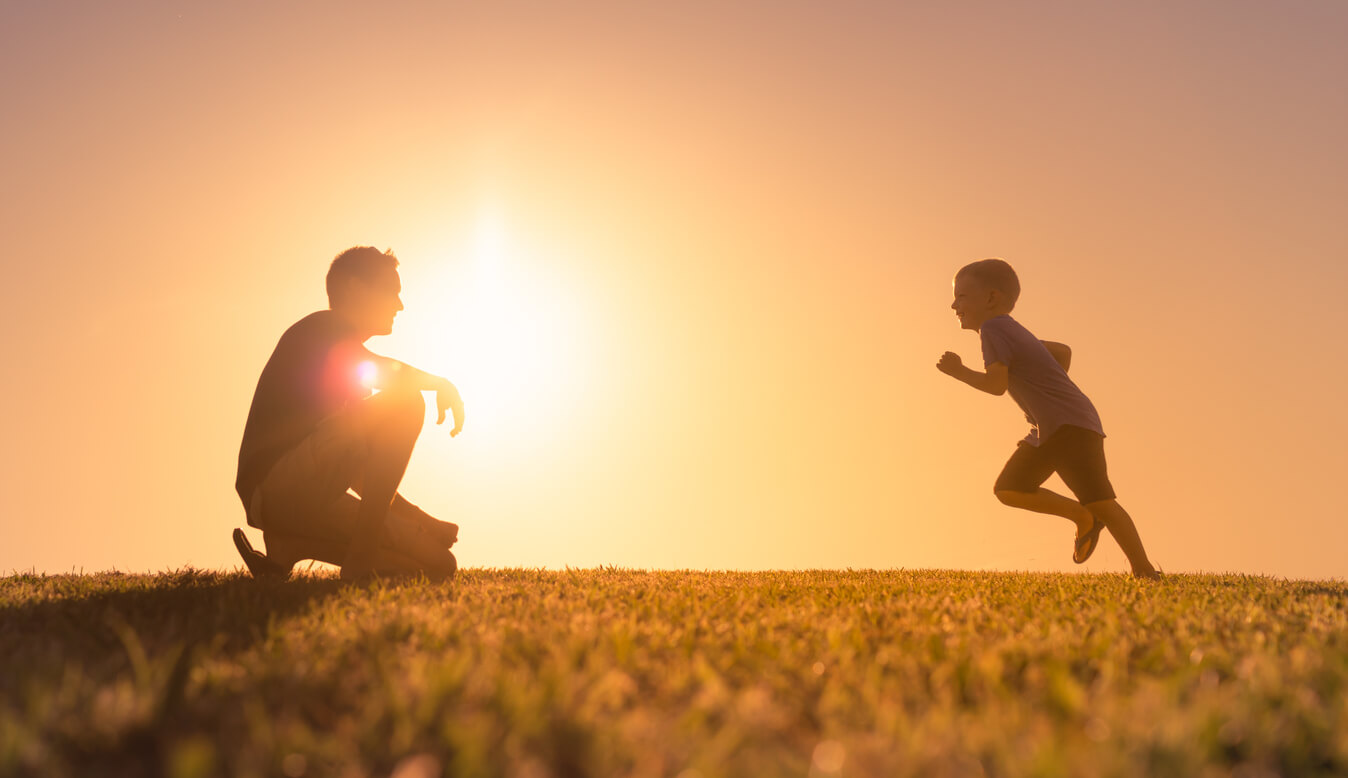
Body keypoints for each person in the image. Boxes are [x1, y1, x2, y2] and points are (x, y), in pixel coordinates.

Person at [232, 246, 463, 581]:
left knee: (437, 565)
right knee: (408, 401)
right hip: (275, 487)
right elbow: (384, 373)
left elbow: (356, 469)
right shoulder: (322, 328)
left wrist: (421, 521)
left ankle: (289, 546)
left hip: (303, 499)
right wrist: (440, 383)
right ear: (355, 288)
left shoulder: (348, 368)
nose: (400, 305)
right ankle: (360, 558)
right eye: (391, 292)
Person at [936, 258, 1159, 579]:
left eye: (961, 296)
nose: (953, 304)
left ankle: (1142, 569)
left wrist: (959, 372)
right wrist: (1048, 391)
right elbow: (1062, 352)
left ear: (991, 298)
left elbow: (996, 386)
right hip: (1059, 426)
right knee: (1012, 487)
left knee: (1100, 500)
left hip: (1068, 427)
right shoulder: (1012, 331)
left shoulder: (993, 329)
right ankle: (1086, 519)